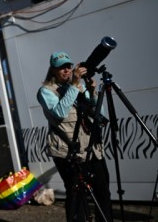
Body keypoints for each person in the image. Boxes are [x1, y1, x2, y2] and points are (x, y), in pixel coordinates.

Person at [37, 52, 113, 222]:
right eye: (61, 67)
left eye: (68, 66)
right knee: (76, 198)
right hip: (69, 152)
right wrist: (75, 84)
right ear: (53, 70)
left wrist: (92, 92)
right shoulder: (46, 91)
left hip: (93, 149)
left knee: (103, 193)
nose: (67, 70)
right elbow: (60, 113)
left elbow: (99, 115)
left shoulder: (79, 87)